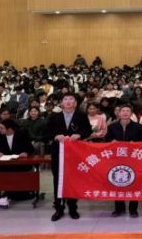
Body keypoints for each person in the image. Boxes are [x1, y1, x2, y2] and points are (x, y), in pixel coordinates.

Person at [45, 92, 92, 221]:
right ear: (61, 103)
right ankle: (58, 208)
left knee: (73, 179)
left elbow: (88, 130)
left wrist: (79, 135)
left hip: (75, 153)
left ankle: (72, 208)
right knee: (58, 179)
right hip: (58, 152)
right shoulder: (54, 116)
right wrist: (55, 136)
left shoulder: (81, 116)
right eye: (65, 99)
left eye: (71, 99)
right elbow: (46, 133)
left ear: (75, 103)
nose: (68, 101)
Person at [0, 119, 35, 209]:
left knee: (14, 174)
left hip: (19, 164)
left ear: (9, 129)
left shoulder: (22, 135)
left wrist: (26, 153)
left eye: (2, 128)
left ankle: (6, 196)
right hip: (4, 164)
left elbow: (31, 149)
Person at [105, 104, 142, 217]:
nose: (125, 113)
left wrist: (135, 143)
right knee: (117, 182)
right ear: (118, 113)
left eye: (128, 111)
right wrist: (111, 141)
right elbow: (107, 139)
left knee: (133, 182)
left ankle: (133, 209)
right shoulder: (112, 126)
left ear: (131, 114)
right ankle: (119, 208)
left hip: (133, 159)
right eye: (123, 110)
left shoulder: (138, 127)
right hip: (117, 158)